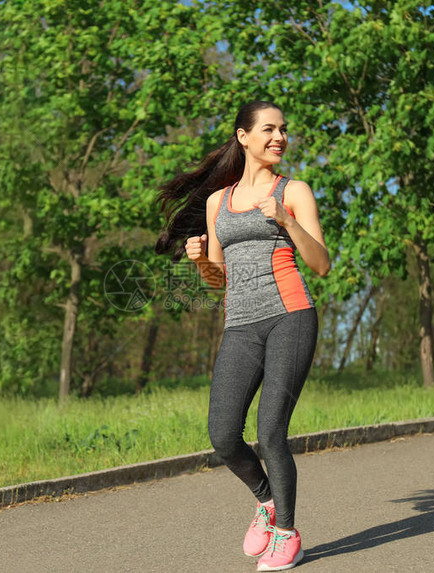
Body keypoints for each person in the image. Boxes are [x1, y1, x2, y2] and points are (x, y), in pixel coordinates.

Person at [156, 101, 330, 571]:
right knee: (223, 435)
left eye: (283, 130)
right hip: (241, 324)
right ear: (243, 137)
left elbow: (321, 264)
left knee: (271, 431)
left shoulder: (294, 191)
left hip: (291, 316)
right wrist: (198, 260)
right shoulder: (219, 202)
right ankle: (267, 500)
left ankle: (287, 534)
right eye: (269, 130)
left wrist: (287, 220)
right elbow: (218, 279)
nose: (279, 137)